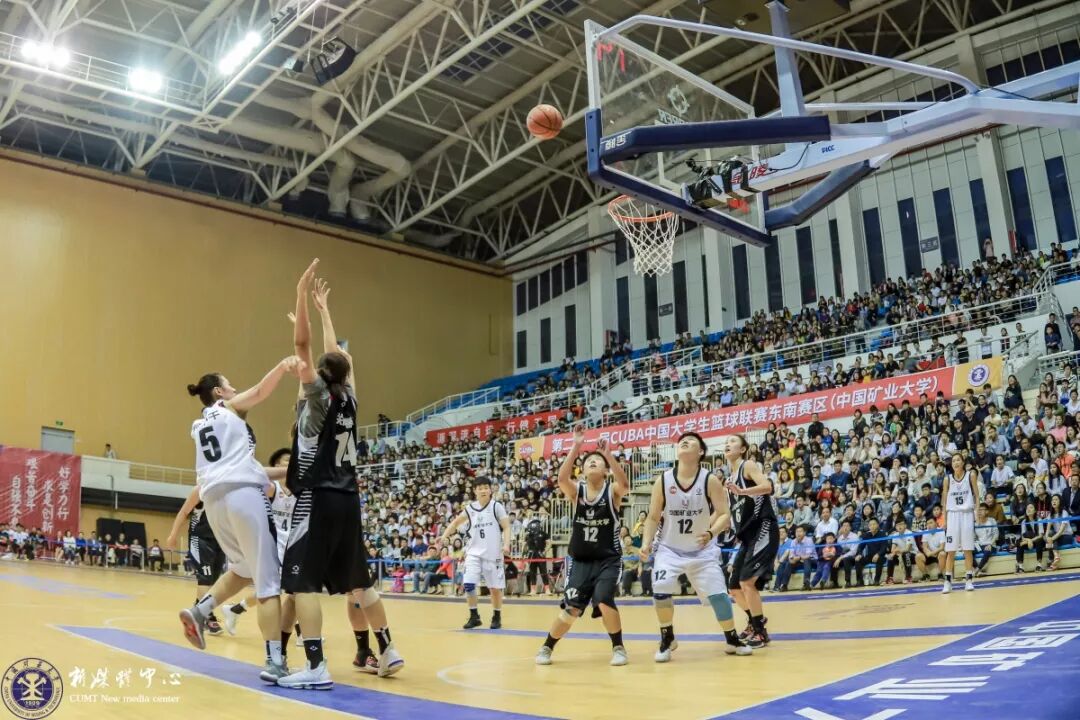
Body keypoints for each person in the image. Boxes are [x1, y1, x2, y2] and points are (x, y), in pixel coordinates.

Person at [278, 264, 403, 688]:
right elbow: (336, 356)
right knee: (360, 582)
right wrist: (325, 312)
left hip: (318, 496)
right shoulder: (350, 397)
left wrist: (301, 295)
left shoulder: (315, 397)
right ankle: (388, 649)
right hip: (349, 497)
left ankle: (314, 665)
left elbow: (303, 346)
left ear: (317, 375)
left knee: (302, 584)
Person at [177, 355, 302, 684]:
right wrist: (283, 367)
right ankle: (275, 662)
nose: (235, 388)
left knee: (243, 569)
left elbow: (252, 468)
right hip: (243, 495)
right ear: (219, 392)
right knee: (268, 583)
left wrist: (290, 471)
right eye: (229, 384)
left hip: (214, 501)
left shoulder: (200, 424)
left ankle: (201, 610)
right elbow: (260, 391)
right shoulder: (229, 409)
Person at [638, 432, 750, 662]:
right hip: (670, 549)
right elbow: (653, 517)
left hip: (702, 550)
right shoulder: (663, 480)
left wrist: (711, 533)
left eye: (691, 441)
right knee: (660, 590)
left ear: (700, 452)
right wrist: (647, 543)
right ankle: (667, 637)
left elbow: (724, 514)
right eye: (682, 441)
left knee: (719, 595)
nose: (684, 442)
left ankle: (731, 638)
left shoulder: (709, 480)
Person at [535, 428, 629, 667]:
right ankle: (547, 646)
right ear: (583, 471)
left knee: (604, 600)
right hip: (580, 561)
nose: (593, 462)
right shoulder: (578, 493)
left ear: (606, 470)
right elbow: (561, 479)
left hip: (608, 559)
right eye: (589, 461)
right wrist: (576, 446)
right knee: (571, 610)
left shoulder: (612, 492)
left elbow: (624, 483)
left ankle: (618, 647)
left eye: (598, 460)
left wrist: (608, 455)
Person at [222, 448, 297, 648]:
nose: (290, 463)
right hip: (273, 546)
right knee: (283, 591)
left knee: (291, 591)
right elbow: (251, 482)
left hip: (292, 546)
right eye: (286, 461)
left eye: (292, 460)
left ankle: (235, 609)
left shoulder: (299, 490)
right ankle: (300, 634)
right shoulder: (272, 488)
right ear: (276, 465)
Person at [725, 434, 779, 649]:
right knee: (734, 587)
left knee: (747, 582)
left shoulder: (747, 465)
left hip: (763, 528)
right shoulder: (729, 479)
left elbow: (767, 486)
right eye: (726, 442)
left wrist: (743, 491)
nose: (728, 444)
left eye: (732, 442)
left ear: (743, 449)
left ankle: (760, 632)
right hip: (747, 537)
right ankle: (755, 620)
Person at [439, 476, 511, 630]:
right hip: (473, 552)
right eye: (480, 488)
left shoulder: (496, 507)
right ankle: (474, 616)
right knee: (469, 584)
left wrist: (506, 544)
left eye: (486, 487)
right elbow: (456, 522)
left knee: (495, 589)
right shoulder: (470, 509)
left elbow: (506, 527)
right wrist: (444, 536)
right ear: (475, 491)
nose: (483, 490)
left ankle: (496, 616)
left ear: (490, 490)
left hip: (493, 553)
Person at [167, 488, 227, 636]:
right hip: (199, 539)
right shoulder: (201, 489)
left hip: (219, 540)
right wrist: (173, 535)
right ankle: (207, 617)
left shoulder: (227, 490)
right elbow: (184, 512)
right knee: (205, 579)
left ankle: (198, 608)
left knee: (213, 581)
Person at [942, 453, 979, 593]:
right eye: (953, 461)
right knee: (950, 550)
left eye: (958, 460)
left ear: (963, 462)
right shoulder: (947, 479)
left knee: (967, 549)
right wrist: (945, 520)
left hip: (967, 514)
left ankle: (968, 579)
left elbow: (977, 495)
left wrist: (976, 513)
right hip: (952, 515)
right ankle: (947, 581)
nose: (956, 462)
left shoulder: (971, 476)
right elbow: (944, 501)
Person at [523, 512, 552, 595]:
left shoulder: (543, 533)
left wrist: (545, 551)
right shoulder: (528, 535)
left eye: (535, 523)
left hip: (540, 554)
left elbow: (549, 543)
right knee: (532, 572)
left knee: (543, 572)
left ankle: (547, 589)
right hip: (531, 555)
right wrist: (524, 553)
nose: (534, 525)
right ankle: (533, 590)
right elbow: (525, 545)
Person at [973, 504, 998, 577]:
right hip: (980, 545)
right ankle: (978, 570)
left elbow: (996, 534)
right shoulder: (975, 523)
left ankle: (977, 570)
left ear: (987, 511)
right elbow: (974, 538)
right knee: (967, 552)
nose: (979, 512)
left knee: (987, 550)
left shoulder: (992, 521)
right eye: (978, 510)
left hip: (991, 544)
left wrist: (990, 544)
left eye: (981, 510)